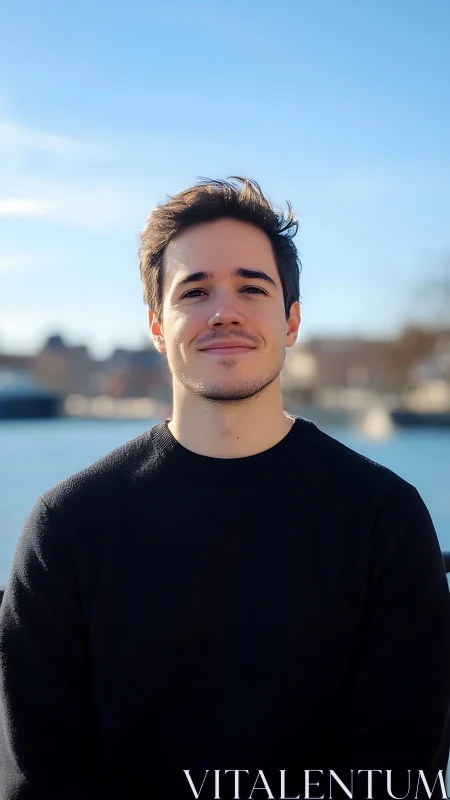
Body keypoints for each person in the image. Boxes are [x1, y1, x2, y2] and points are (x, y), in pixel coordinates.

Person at [0, 176, 449, 800]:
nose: (225, 311)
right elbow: (40, 781)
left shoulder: (383, 520)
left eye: (251, 287)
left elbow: (397, 772)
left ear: (290, 321)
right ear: (158, 326)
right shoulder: (66, 530)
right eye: (196, 290)